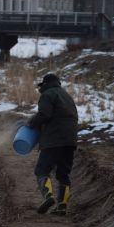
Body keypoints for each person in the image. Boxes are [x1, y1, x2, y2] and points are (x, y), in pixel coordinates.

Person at [27, 73, 79, 216]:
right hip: (70, 141)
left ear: (45, 84)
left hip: (53, 140)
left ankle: (49, 197)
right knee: (63, 173)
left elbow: (44, 114)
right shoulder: (67, 96)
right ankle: (62, 206)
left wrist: (31, 123)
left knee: (41, 170)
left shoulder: (48, 94)